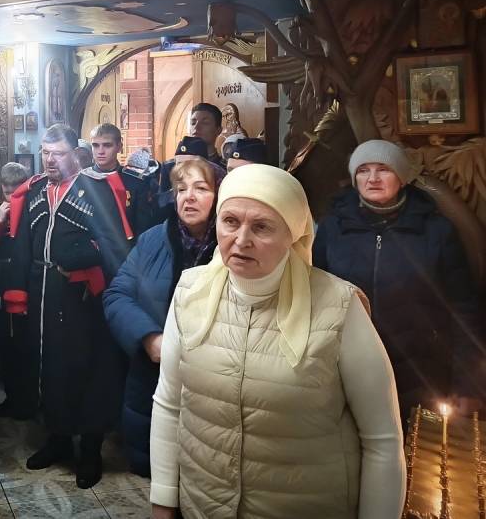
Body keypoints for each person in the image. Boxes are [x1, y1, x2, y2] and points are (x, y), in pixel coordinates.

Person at [149, 164, 406, 519]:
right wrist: (163, 500)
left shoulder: (339, 307)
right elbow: (169, 403)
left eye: (262, 227)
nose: (241, 240)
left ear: (293, 235)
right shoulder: (190, 292)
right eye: (230, 221)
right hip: (204, 506)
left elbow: (382, 440)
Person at [313, 140, 484, 417]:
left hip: (422, 375)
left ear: (402, 177)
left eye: (384, 169)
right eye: (363, 170)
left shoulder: (437, 231)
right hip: (347, 368)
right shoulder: (333, 227)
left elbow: (464, 308)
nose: (373, 178)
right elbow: (315, 296)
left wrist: (469, 384)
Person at [5, 124, 132, 489]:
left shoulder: (97, 190)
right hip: (41, 292)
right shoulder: (34, 192)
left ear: (75, 154)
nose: (50, 160)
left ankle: (90, 450)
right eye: (45, 153)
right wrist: (18, 294)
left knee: (88, 371)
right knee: (49, 369)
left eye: (57, 153)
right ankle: (58, 438)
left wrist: (83, 260)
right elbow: (21, 246)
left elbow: (115, 246)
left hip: (82, 300)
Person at [103, 159, 218, 477]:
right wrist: (149, 337)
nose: (188, 196)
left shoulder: (231, 246)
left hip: (212, 380)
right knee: (160, 476)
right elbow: (117, 295)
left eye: (201, 188)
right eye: (181, 189)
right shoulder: (153, 240)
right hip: (155, 377)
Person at [0, 162, 33, 420]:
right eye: (6, 190)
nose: (10, 195)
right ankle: (11, 396)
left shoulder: (34, 210)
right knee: (1, 339)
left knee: (24, 345)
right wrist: (0, 220)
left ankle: (27, 400)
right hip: (0, 280)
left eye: (15, 190)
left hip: (25, 280)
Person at [89, 123, 153, 239]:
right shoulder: (81, 179)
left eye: (107, 145)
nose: (100, 151)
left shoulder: (136, 182)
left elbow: (142, 226)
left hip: (125, 245)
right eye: (95, 145)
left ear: (119, 147)